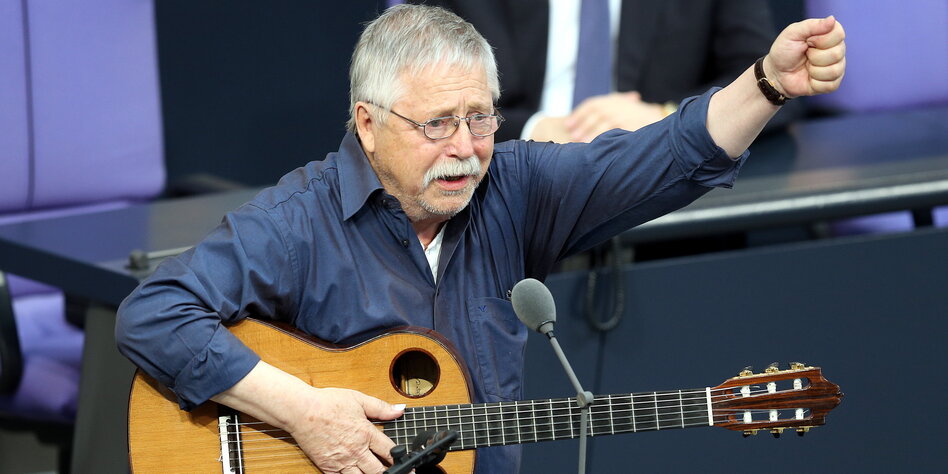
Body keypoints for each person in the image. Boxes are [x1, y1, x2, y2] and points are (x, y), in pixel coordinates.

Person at [116, 4, 846, 473]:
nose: (465, 149)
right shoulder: (298, 221)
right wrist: (304, 412)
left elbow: (665, 156)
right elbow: (153, 315)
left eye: (481, 118)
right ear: (368, 125)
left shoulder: (514, 189)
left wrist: (767, 84)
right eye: (437, 124)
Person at [410, 0, 792, 143]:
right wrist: (534, 132)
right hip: (506, 174)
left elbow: (770, 78)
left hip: (658, 177)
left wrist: (669, 117)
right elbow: (419, 96)